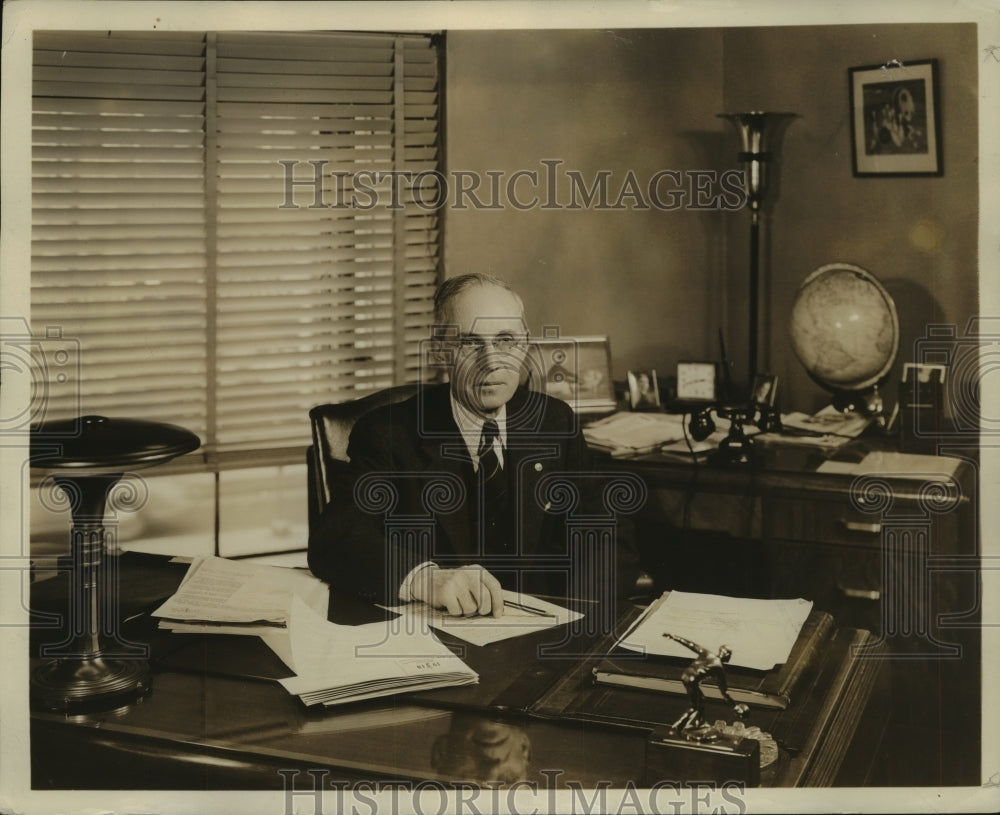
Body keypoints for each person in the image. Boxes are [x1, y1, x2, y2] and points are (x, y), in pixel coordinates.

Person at [308, 273, 639, 616]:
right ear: (440, 351)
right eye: (470, 343)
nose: (492, 361)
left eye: (506, 340)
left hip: (542, 633)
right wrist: (426, 579)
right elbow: (336, 538)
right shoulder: (390, 433)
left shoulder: (554, 421)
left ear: (525, 345)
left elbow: (604, 531)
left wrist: (581, 620)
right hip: (437, 632)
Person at [664, 633, 750, 732]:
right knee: (693, 707)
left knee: (702, 699)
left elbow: (691, 645)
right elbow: (724, 692)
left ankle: (700, 723)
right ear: (726, 654)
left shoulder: (708, 653)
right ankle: (676, 728)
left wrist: (674, 637)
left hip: (685, 675)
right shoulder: (719, 667)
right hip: (692, 681)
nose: (729, 658)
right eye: (729, 655)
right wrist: (734, 705)